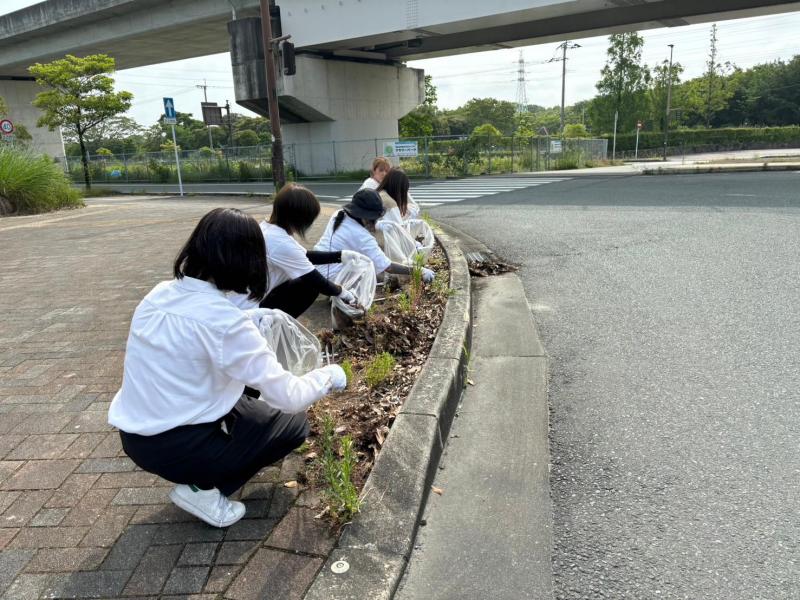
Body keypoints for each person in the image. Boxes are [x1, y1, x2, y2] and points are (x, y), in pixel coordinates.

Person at [108, 208, 347, 528]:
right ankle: (204, 491)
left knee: (250, 403)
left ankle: (206, 470)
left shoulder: (157, 294)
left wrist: (253, 319)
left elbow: (196, 334)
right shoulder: (227, 324)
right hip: (179, 445)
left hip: (135, 435)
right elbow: (290, 396)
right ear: (249, 260)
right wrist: (330, 375)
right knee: (293, 424)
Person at [257, 183, 360, 318]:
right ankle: (276, 325)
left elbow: (305, 255)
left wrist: (340, 256)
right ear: (298, 218)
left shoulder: (269, 229)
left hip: (259, 294)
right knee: (310, 287)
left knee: (308, 283)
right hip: (254, 307)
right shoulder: (280, 243)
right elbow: (315, 280)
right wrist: (343, 293)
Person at [314, 188, 434, 283]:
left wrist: (382, 225)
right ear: (365, 217)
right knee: (369, 267)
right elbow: (387, 266)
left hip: (318, 266)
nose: (375, 222)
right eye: (374, 219)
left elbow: (356, 229)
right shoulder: (361, 237)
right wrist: (418, 270)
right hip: (333, 278)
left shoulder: (339, 214)